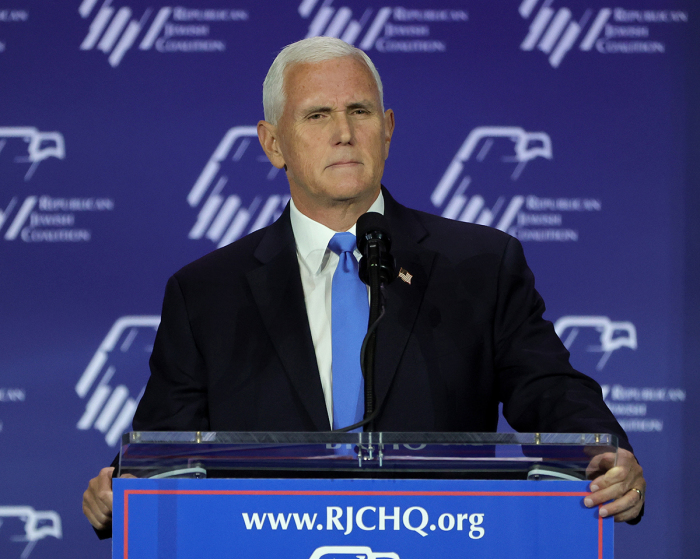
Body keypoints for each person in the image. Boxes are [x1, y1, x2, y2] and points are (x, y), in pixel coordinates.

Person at [82, 37, 646, 536]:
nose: (345, 133)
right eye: (317, 116)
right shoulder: (207, 293)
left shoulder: (478, 263)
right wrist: (119, 489)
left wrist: (606, 450)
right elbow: (162, 446)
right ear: (273, 143)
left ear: (388, 128)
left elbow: (550, 390)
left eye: (359, 110)